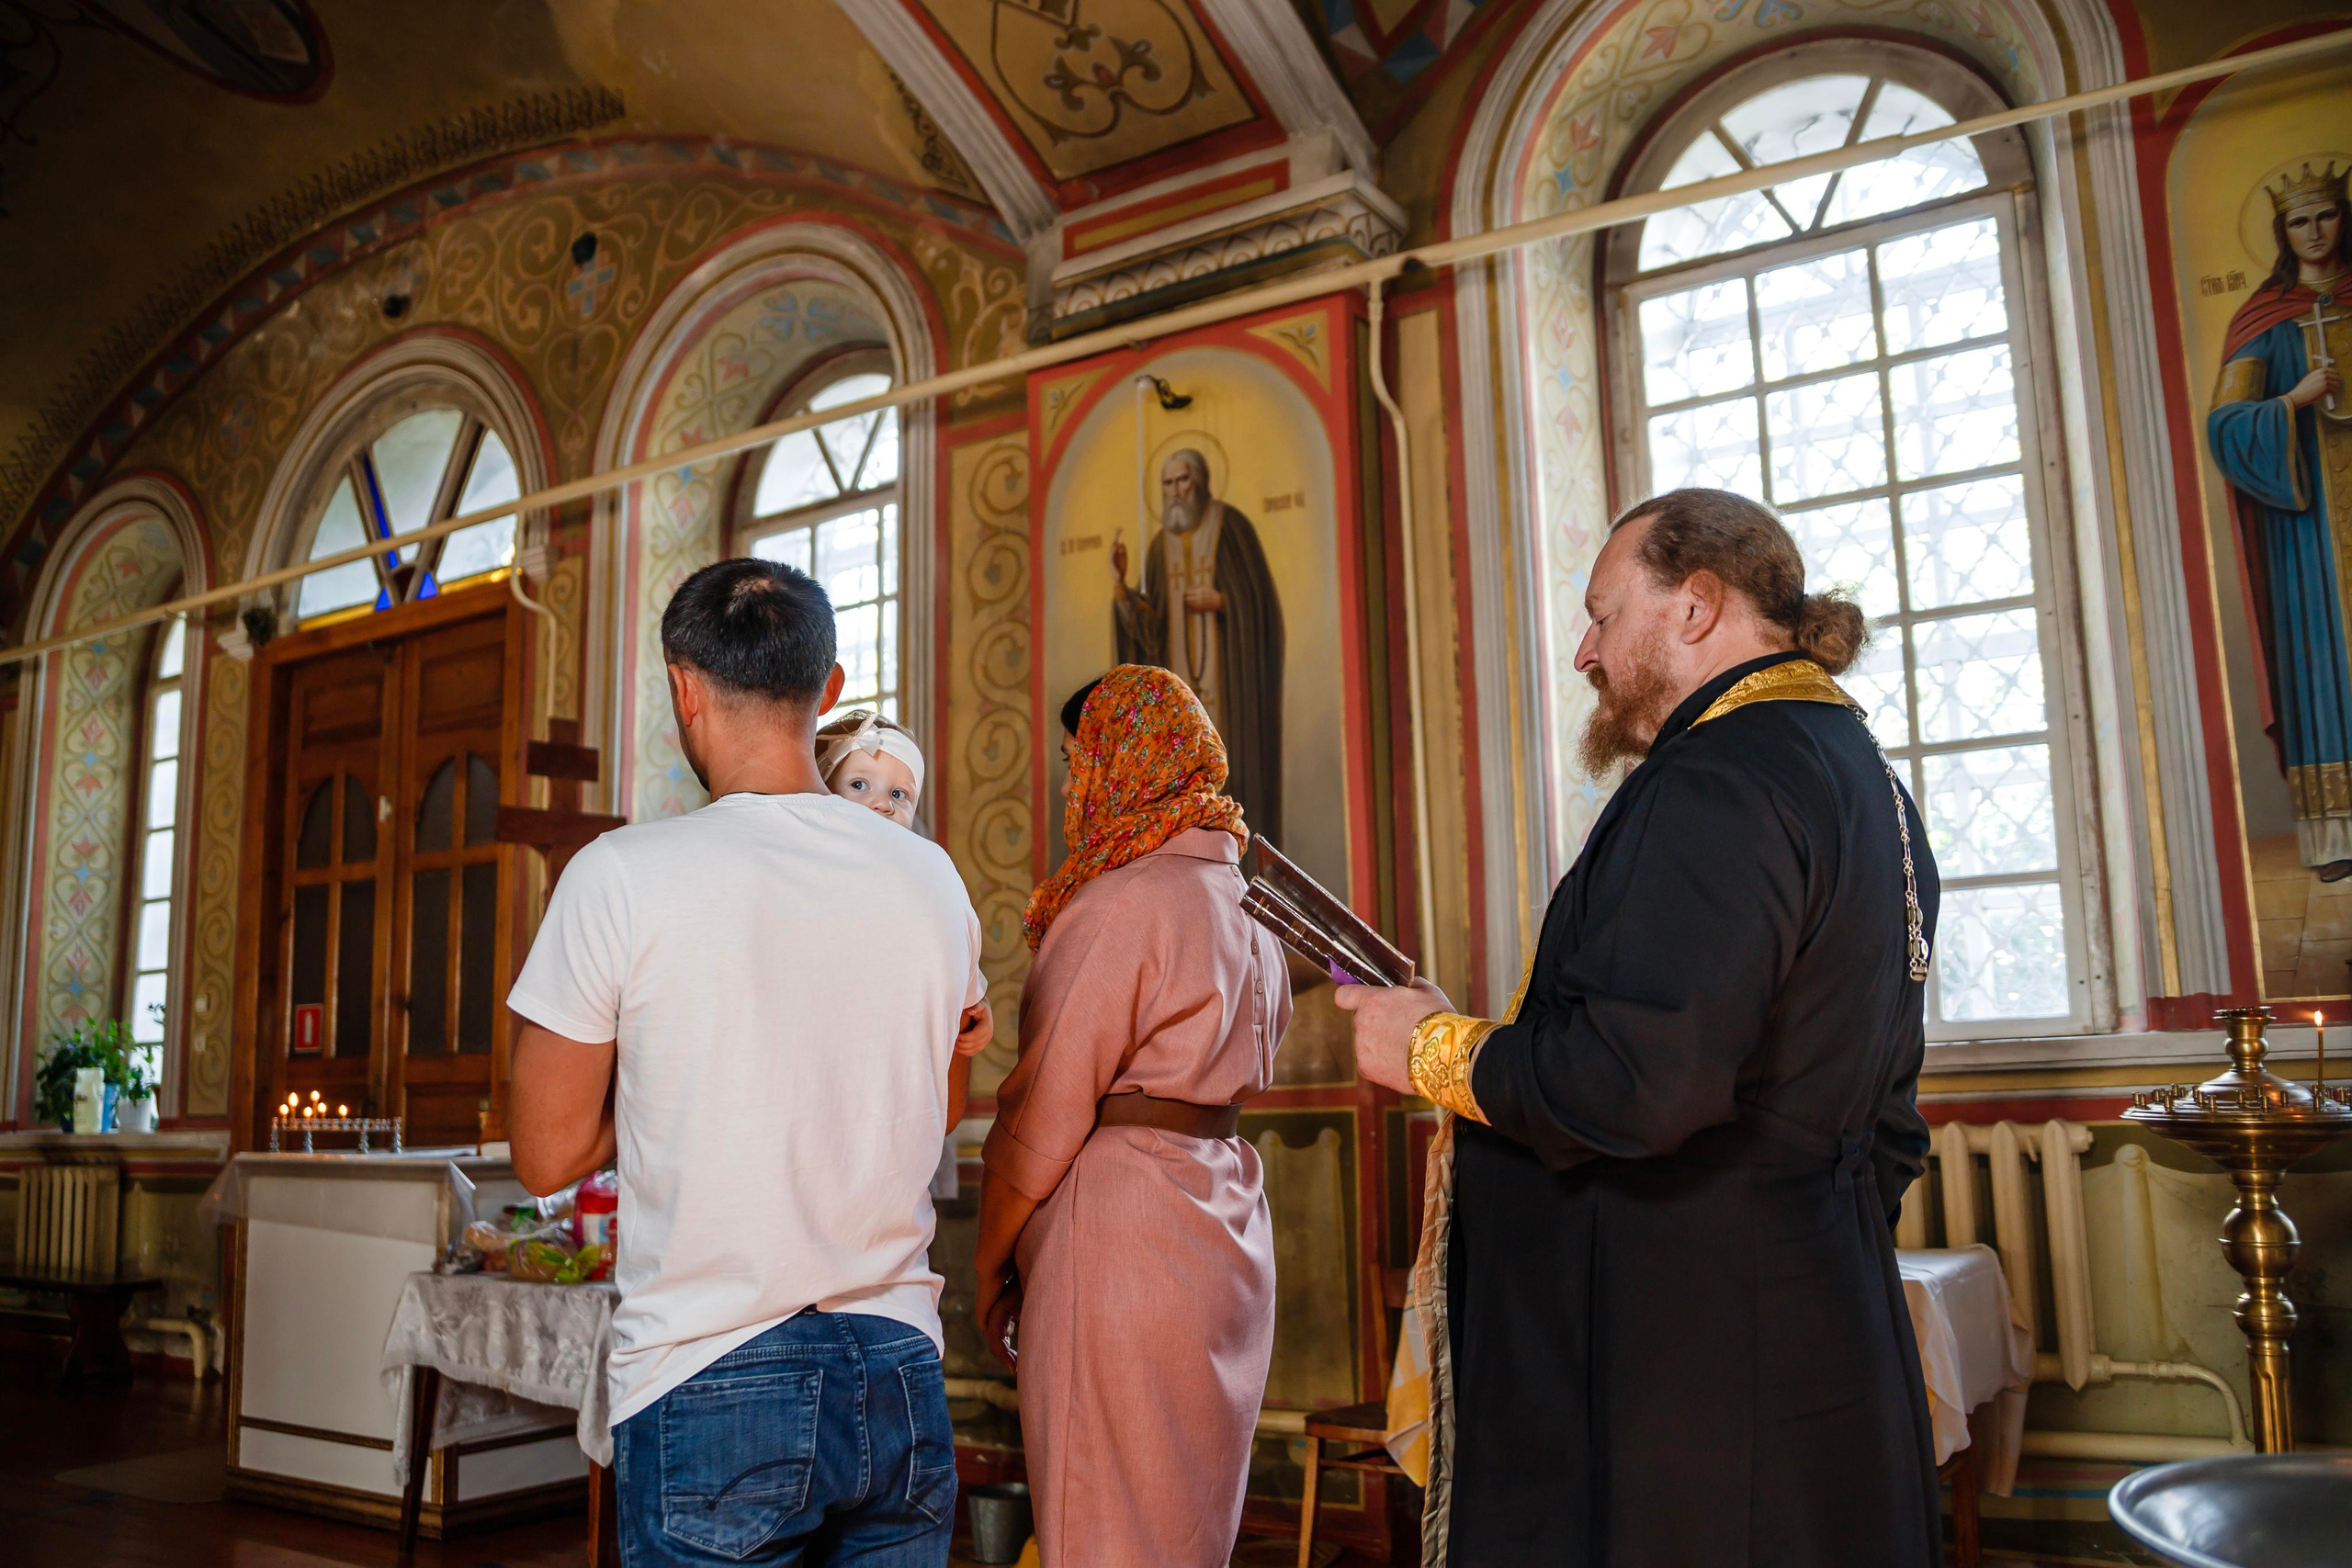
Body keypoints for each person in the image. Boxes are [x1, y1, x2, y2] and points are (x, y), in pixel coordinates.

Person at [1341, 489, 1942, 1567]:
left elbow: (1637, 1085)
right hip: (1820, 1320)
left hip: (1687, 1373)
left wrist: (1429, 1049)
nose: (1584, 650)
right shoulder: (1868, 783)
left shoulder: (1719, 777)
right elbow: (1886, 1120)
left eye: (1604, 613)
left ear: (1697, 607)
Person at [507, 558, 991, 1567]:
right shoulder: (931, 880)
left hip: (710, 1367)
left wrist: (665, 1075)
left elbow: (547, 1156)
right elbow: (939, 1106)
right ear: (828, 690)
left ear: (683, 688)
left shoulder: (622, 877)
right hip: (898, 1363)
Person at [974, 663, 1294, 1568]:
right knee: (1188, 1527)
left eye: (1084, 759)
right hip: (1227, 1220)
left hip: (1124, 1230)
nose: (1077, 780)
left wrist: (991, 1257)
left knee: (1101, 1522)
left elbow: (1042, 1117)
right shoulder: (1256, 907)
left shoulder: (1119, 903)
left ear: (1119, 764)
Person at [2208, 160, 2352, 874]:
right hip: (2311, 534)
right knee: (2326, 661)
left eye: (2325, 215)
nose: (2315, 232)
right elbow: (2228, 425)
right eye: (2300, 220)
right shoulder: (2264, 320)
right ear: (2282, 231)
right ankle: (2339, 835)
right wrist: (2295, 399)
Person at [1111, 448, 1285, 840]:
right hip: (1181, 716)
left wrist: (1225, 601)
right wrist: (1122, 589)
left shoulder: (1232, 528)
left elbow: (1264, 609)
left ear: (1201, 482)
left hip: (1232, 696)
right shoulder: (1159, 547)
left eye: (1182, 481)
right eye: (1167, 484)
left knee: (1238, 783)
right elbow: (1149, 635)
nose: (1174, 492)